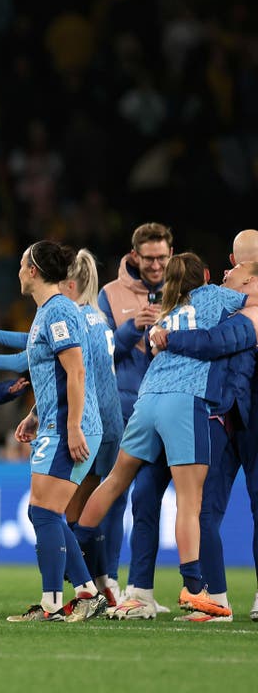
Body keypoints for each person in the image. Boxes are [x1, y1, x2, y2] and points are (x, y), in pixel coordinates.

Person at [75, 252, 258, 620]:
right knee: (191, 501)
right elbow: (244, 309)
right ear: (205, 277)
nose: (228, 272)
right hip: (185, 402)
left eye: (234, 268)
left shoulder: (167, 310)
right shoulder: (216, 296)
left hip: (147, 399)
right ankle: (194, 588)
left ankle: (75, 556)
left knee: (114, 482)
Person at [7, 241, 107, 622]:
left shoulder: (59, 309)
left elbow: (77, 370)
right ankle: (85, 593)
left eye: (21, 264)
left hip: (70, 427)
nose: (17, 272)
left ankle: (52, 604)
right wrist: (35, 414)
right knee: (44, 512)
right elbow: (55, 375)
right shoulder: (47, 311)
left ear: (33, 270)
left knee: (45, 512)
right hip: (54, 422)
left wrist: (73, 426)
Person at [154, 258, 258, 621]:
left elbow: (216, 343)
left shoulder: (254, 314)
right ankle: (217, 600)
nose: (227, 275)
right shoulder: (224, 308)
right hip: (222, 418)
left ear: (252, 282)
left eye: (237, 273)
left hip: (248, 421)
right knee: (205, 511)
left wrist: (169, 337)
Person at [96, 222, 174, 614]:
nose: (157, 265)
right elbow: (99, 355)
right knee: (114, 497)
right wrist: (132, 327)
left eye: (163, 257)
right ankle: (107, 582)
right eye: (150, 258)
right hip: (125, 410)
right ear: (134, 257)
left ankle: (141, 590)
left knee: (147, 501)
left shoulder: (184, 293)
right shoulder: (110, 294)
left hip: (169, 408)